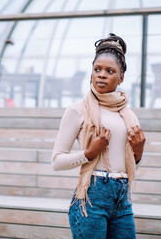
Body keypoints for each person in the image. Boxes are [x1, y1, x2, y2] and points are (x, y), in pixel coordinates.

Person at [51, 33, 146, 239]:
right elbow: (56, 162)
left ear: (121, 78)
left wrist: (138, 155)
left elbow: (127, 165)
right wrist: (89, 152)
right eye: (97, 69)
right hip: (91, 200)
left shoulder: (128, 116)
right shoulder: (78, 111)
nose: (101, 75)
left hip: (122, 199)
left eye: (110, 71)